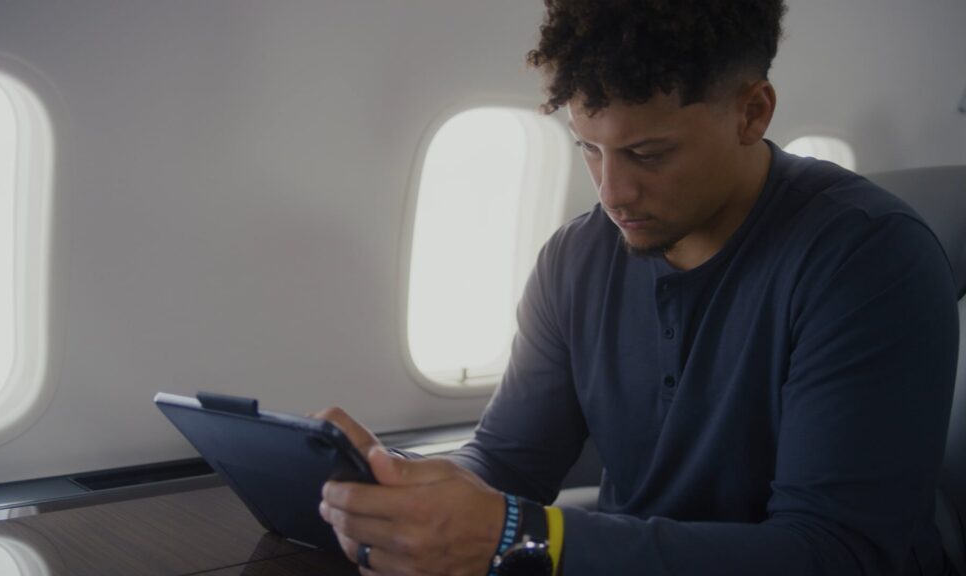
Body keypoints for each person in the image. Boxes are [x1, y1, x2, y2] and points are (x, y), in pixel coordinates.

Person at [315, 0, 961, 574]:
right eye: (588, 149)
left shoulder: (869, 260)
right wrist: (401, 488)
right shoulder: (573, 259)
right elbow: (508, 460)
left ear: (752, 112)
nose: (611, 193)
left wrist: (534, 539)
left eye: (648, 155)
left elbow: (833, 554)